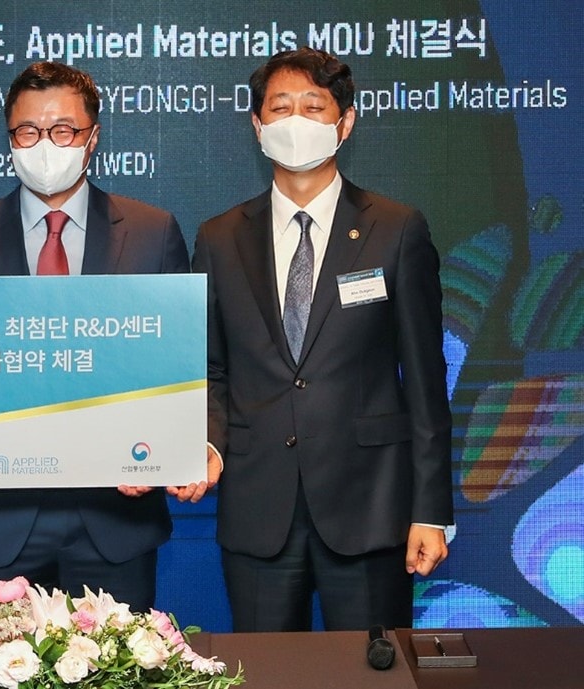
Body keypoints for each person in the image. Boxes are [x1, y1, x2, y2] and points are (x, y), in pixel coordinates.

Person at [192, 47, 453, 632]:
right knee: (264, 671)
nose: (296, 121)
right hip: (258, 507)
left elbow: (425, 382)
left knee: (374, 668)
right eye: (280, 108)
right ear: (257, 125)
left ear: (346, 122)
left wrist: (431, 510)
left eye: (313, 107)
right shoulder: (219, 237)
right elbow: (211, 369)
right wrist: (209, 444)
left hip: (371, 508)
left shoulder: (396, 229)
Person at [0, 62, 202, 611]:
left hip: (116, 517)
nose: (45, 145)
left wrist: (164, 453)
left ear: (92, 138)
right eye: (28, 131)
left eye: (63, 130)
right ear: (10, 138)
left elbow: (178, 363)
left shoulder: (152, 231)